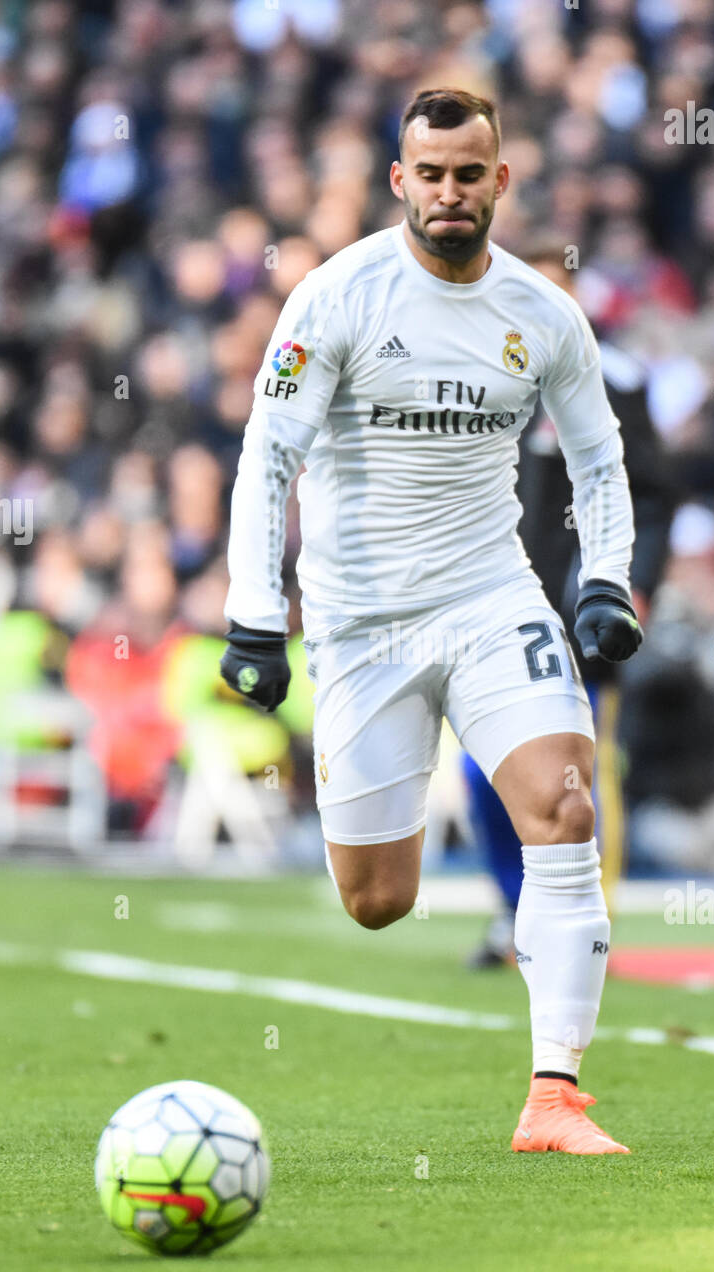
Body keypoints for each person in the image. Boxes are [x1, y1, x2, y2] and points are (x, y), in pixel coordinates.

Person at [222, 89, 643, 1155]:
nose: (449, 192)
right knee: (375, 898)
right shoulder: (334, 296)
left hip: (490, 595)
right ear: (398, 180)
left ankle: (552, 1097)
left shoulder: (542, 313)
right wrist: (254, 619)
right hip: (361, 623)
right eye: (431, 173)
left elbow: (597, 456)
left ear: (499, 182)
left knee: (563, 801)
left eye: (469, 173)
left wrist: (605, 580)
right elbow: (265, 458)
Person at [462, 242, 674, 966]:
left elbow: (649, 490)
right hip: (493, 604)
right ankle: (513, 909)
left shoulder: (613, 379)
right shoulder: (482, 372)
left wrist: (628, 579)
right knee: (480, 766)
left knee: (580, 765)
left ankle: (588, 923)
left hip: (580, 605)